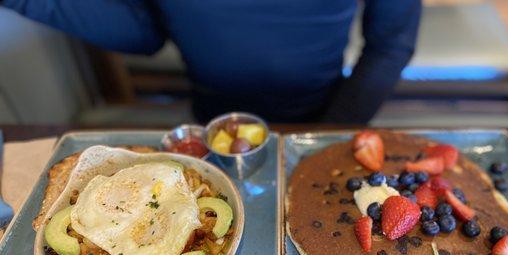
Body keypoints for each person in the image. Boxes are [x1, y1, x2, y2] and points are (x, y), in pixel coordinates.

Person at [2, 0, 421, 123]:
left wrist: (324, 135)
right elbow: (146, 33)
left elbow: (391, 44)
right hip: (211, 126)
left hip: (323, 115)